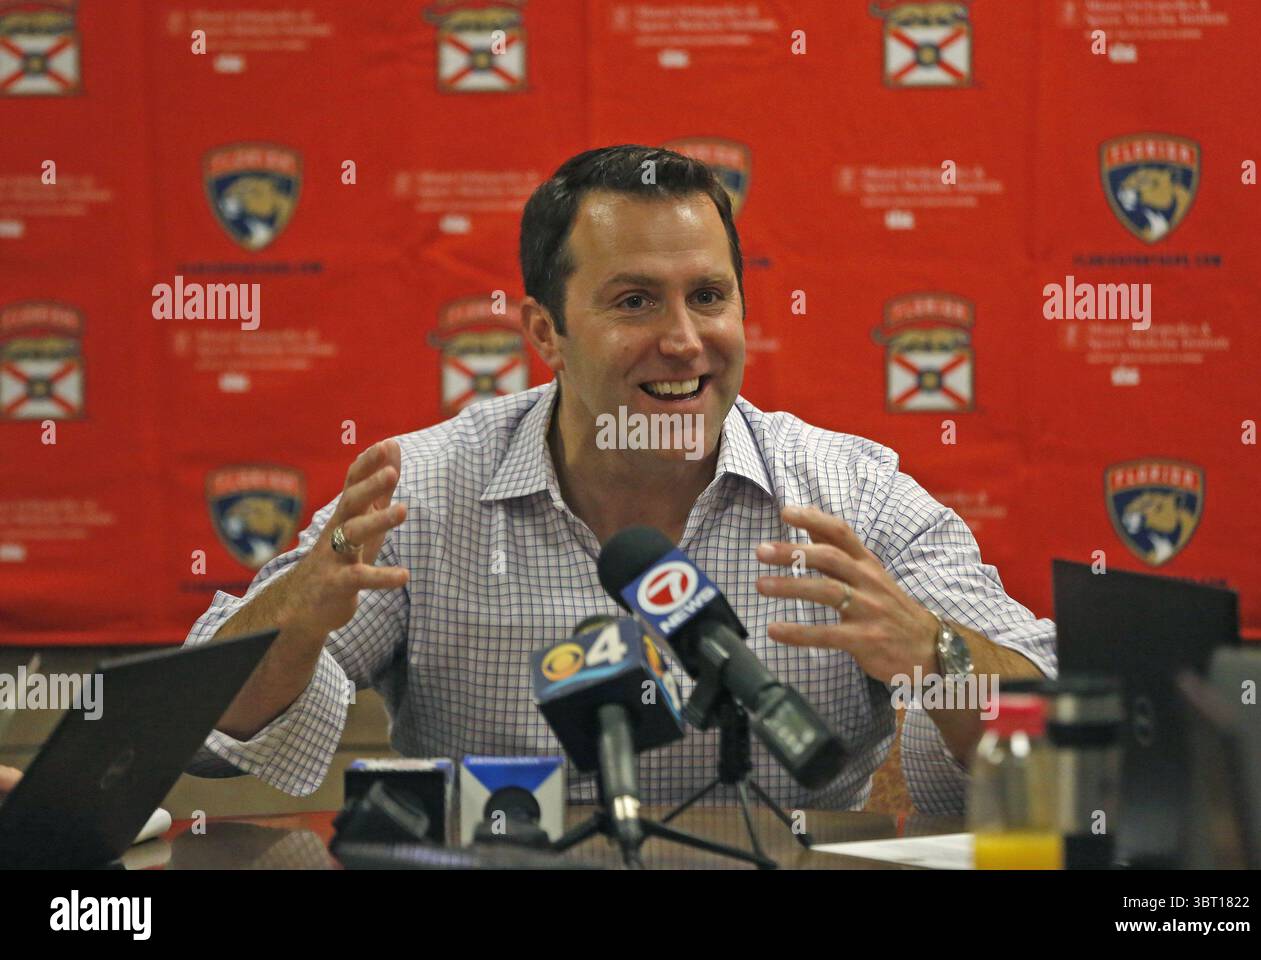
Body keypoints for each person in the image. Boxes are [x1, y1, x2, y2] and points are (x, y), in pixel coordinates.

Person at [184, 145, 1055, 815]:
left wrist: (937, 658)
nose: (683, 340)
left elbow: (1056, 743)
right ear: (546, 332)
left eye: (709, 297)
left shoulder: (851, 495)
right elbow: (200, 737)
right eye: (635, 301)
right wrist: (296, 619)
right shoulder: (425, 489)